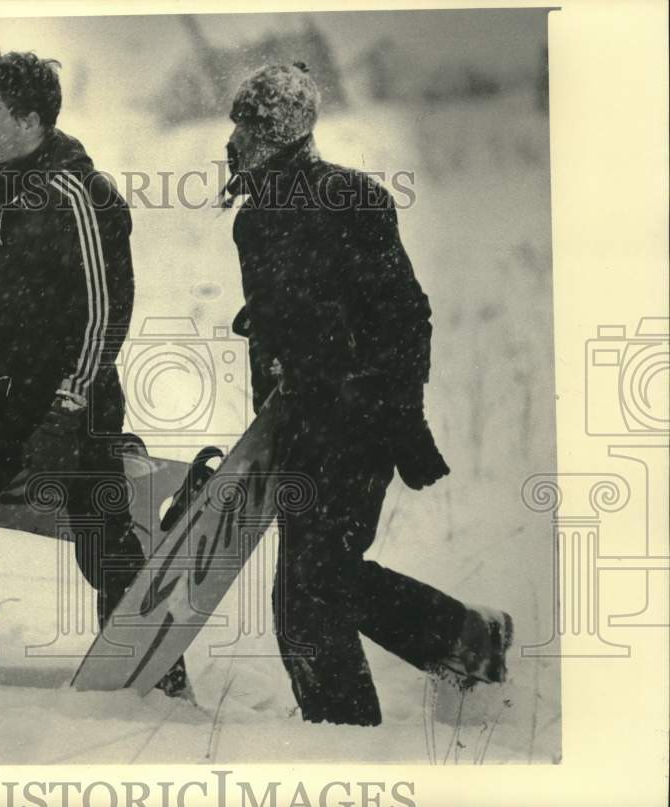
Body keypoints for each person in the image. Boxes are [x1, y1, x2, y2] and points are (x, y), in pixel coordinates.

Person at [222, 62, 513, 725]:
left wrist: (399, 415)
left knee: (311, 591)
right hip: (298, 430)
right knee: (312, 590)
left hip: (360, 424)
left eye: (250, 126)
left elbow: (406, 316)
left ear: (283, 133)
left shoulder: (351, 200)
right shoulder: (254, 218)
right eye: (236, 124)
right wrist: (270, 419)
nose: (237, 139)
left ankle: (345, 735)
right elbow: (278, 333)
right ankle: (465, 640)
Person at [0, 51, 188, 696]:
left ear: (31, 120)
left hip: (75, 396)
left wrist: (69, 399)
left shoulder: (80, 191)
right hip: (2, 395)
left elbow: (105, 309)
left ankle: (154, 677)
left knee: (99, 541)